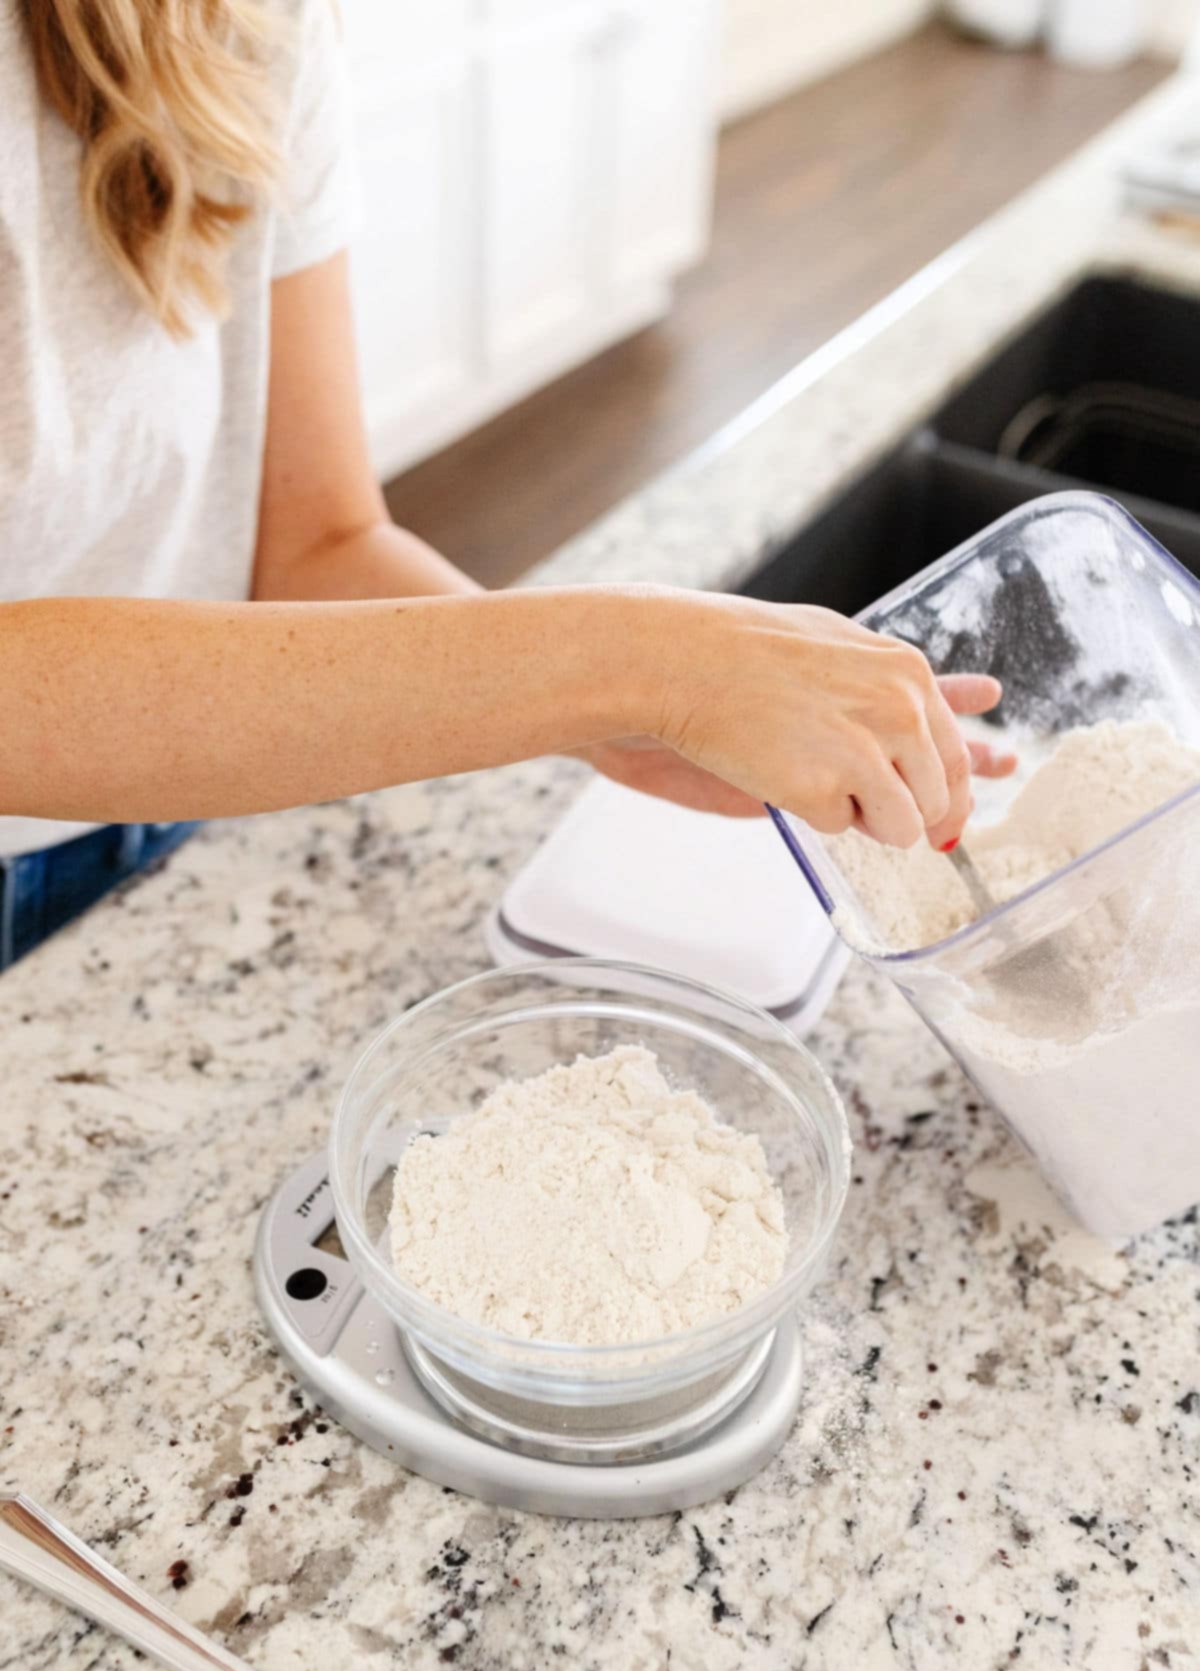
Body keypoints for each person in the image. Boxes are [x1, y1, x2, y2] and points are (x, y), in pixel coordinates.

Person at [0, 0, 1014, 970]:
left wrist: (610, 719)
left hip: (183, 799)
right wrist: (635, 664)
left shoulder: (237, 23)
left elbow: (315, 540)